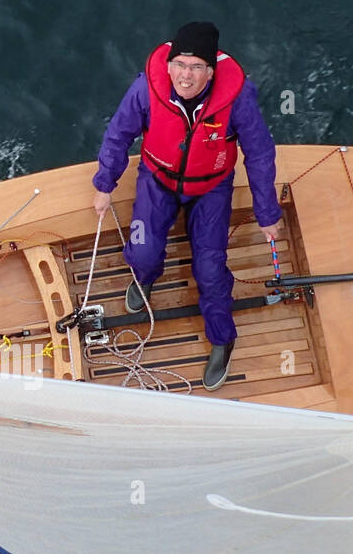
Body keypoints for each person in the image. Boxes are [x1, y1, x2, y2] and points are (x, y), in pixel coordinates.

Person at [92, 21, 281, 390]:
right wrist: (104, 184)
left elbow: (259, 153)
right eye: (179, 64)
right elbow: (118, 135)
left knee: (210, 271)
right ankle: (145, 278)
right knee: (143, 253)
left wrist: (267, 212)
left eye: (196, 67)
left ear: (211, 71)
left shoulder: (237, 98)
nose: (186, 75)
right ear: (168, 65)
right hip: (156, 179)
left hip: (211, 188)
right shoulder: (145, 89)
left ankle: (223, 340)